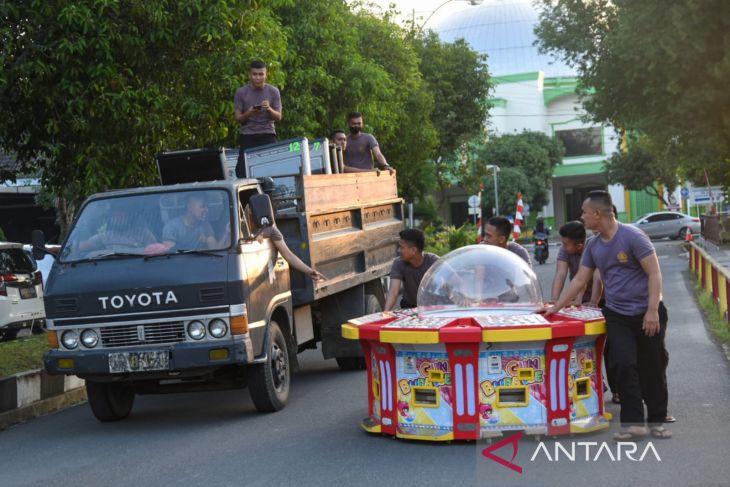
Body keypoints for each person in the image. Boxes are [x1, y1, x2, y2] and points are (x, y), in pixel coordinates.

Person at [542, 190, 672, 441]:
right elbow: (580, 279)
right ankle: (633, 424)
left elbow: (654, 274)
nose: (582, 216)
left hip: (648, 312)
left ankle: (657, 420)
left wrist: (653, 310)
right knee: (623, 365)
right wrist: (555, 307)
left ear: (597, 214)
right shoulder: (593, 245)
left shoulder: (633, 236)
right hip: (617, 314)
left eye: (584, 212)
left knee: (651, 367)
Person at [244, 204, 324, 281]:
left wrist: (309, 271)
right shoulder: (235, 229)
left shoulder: (271, 230)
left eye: (251, 209)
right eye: (248, 210)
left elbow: (289, 255)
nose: (249, 212)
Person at [233, 60, 283, 177]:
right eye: (255, 74)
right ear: (249, 75)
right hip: (248, 135)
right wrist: (248, 113)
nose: (258, 77)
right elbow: (238, 118)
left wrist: (269, 109)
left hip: (268, 133)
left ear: (266, 75)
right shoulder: (241, 92)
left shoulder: (273, 91)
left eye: (261, 74)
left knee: (272, 170)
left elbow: (279, 117)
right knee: (241, 171)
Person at [385, 229, 439, 310]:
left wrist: (460, 297)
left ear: (413, 250)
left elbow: (452, 279)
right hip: (409, 307)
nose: (398, 250)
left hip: (433, 307)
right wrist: (385, 312)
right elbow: (393, 291)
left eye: (401, 247)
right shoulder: (398, 263)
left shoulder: (434, 261)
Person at [550, 220, 592, 304]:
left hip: (598, 297)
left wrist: (593, 301)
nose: (563, 246)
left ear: (579, 246)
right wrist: (554, 300)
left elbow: (582, 278)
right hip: (576, 297)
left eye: (566, 244)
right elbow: (560, 274)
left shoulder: (591, 248)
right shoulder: (564, 249)